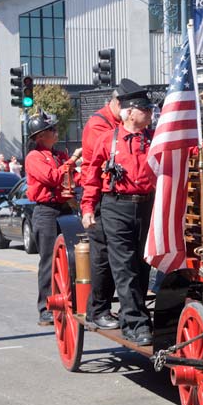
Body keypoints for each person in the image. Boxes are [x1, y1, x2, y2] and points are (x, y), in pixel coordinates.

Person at [80, 83, 157, 345]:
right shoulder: (107, 139)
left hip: (147, 205)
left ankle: (134, 316)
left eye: (149, 108)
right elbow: (90, 177)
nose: (149, 113)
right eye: (144, 109)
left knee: (143, 264)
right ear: (128, 112)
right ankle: (135, 324)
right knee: (124, 268)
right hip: (116, 207)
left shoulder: (154, 138)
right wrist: (88, 207)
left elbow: (178, 152)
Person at [24, 113, 81, 326]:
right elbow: (52, 177)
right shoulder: (34, 157)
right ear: (40, 136)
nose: (56, 133)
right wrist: (73, 161)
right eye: (52, 130)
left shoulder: (59, 155)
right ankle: (46, 308)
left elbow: (72, 178)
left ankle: (71, 298)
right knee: (48, 260)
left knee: (71, 258)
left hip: (64, 209)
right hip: (46, 211)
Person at [78, 87, 123, 330]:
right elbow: (112, 157)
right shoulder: (99, 126)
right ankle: (98, 309)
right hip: (99, 197)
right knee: (103, 254)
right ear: (116, 104)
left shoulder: (115, 123)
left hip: (117, 196)